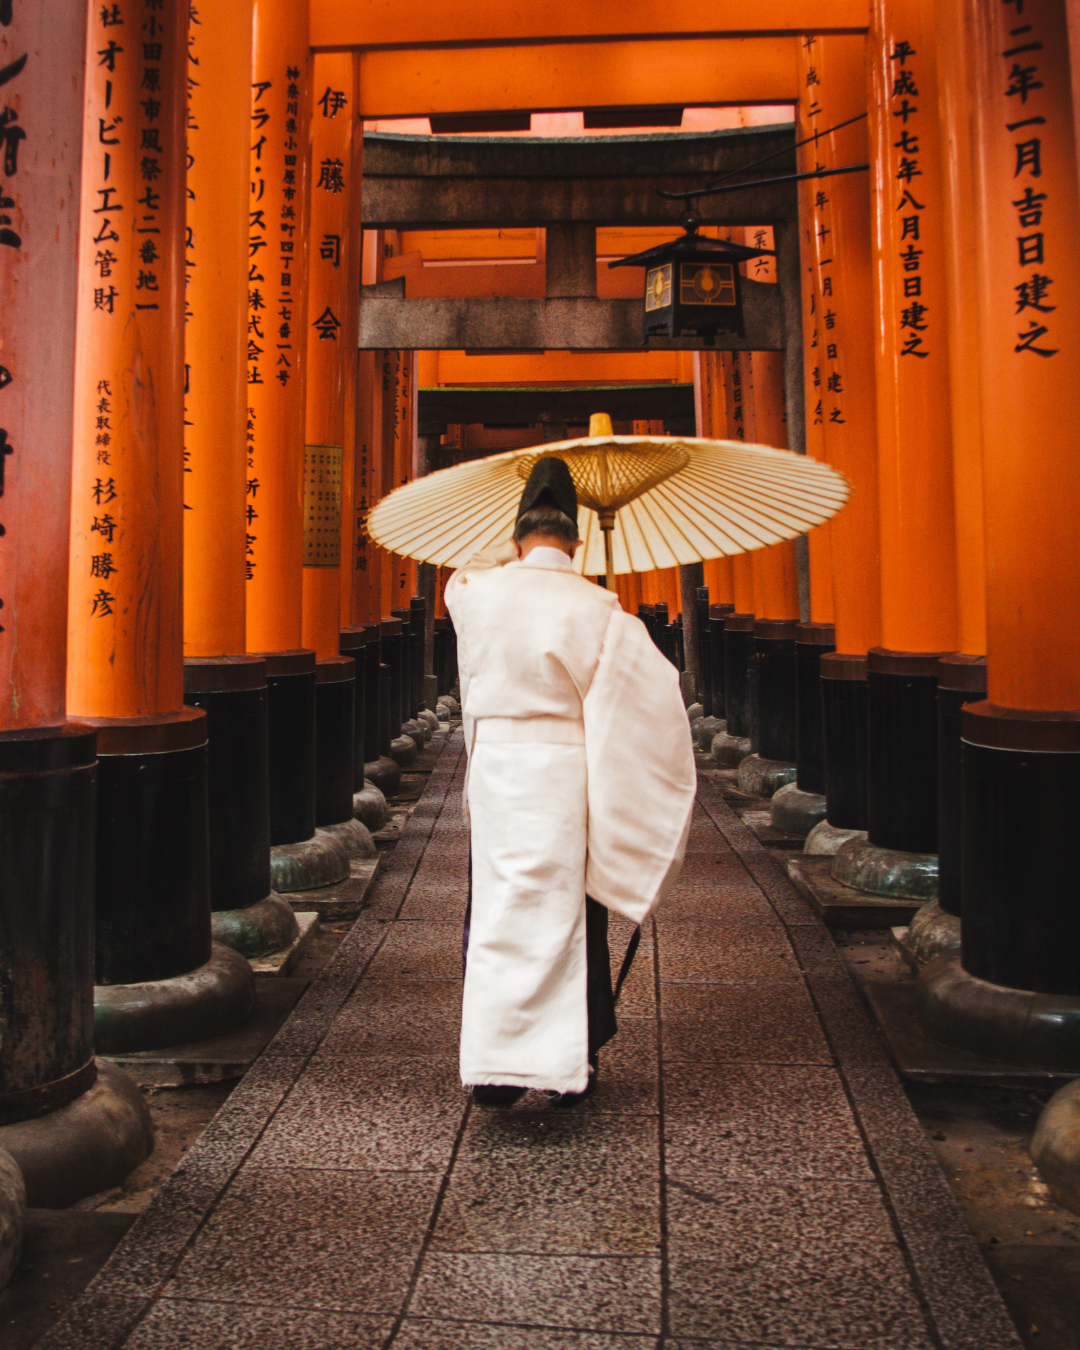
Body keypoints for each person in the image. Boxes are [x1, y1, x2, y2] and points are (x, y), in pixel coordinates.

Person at [445, 456, 696, 1108]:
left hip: (498, 776)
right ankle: (570, 1064)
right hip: (564, 775)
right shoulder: (601, 609)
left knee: (498, 912)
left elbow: (466, 575)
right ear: (578, 541)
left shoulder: (472, 593)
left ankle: (494, 1071)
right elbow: (650, 700)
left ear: (515, 536)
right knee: (572, 913)